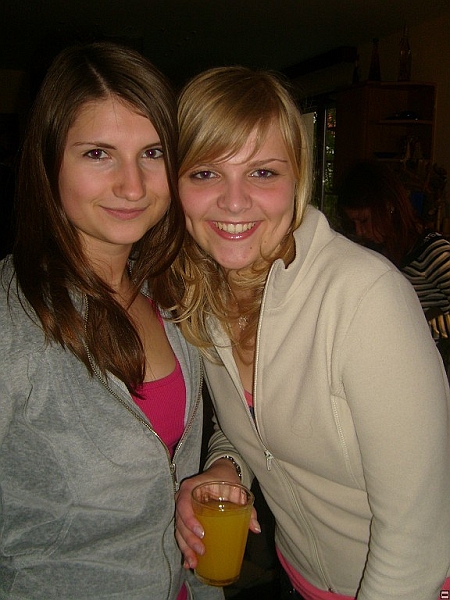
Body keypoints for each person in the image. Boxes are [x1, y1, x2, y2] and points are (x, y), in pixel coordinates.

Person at [168, 66, 450, 600]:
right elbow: (252, 421)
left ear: (297, 179)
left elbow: (418, 539)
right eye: (205, 173)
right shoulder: (208, 300)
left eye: (262, 172)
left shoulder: (365, 298)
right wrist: (226, 466)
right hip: (299, 580)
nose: (234, 201)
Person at [0, 42, 223, 600]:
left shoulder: (170, 293)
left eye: (152, 153)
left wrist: (222, 467)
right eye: (98, 154)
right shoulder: (13, 318)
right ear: (49, 160)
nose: (132, 186)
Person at [337, 160, 450, 372]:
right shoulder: (378, 255)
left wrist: (422, 329)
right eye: (354, 224)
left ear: (388, 207)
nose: (359, 231)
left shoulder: (435, 252)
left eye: (364, 220)